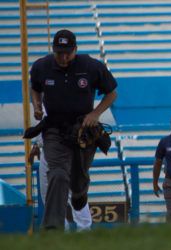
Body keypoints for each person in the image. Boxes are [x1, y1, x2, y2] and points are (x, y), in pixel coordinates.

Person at [30, 29, 117, 230]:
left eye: (67, 52)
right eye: (59, 52)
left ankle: (79, 198)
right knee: (58, 174)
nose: (63, 56)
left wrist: (95, 114)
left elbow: (112, 93)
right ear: (53, 50)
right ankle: (53, 228)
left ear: (75, 49)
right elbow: (35, 87)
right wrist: (36, 105)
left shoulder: (91, 66)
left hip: (83, 132)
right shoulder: (41, 67)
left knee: (78, 185)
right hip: (54, 130)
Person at [29, 135, 92, 231]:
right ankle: (60, 229)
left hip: (67, 147)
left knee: (75, 192)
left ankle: (84, 230)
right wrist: (37, 145)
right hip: (47, 149)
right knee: (48, 194)